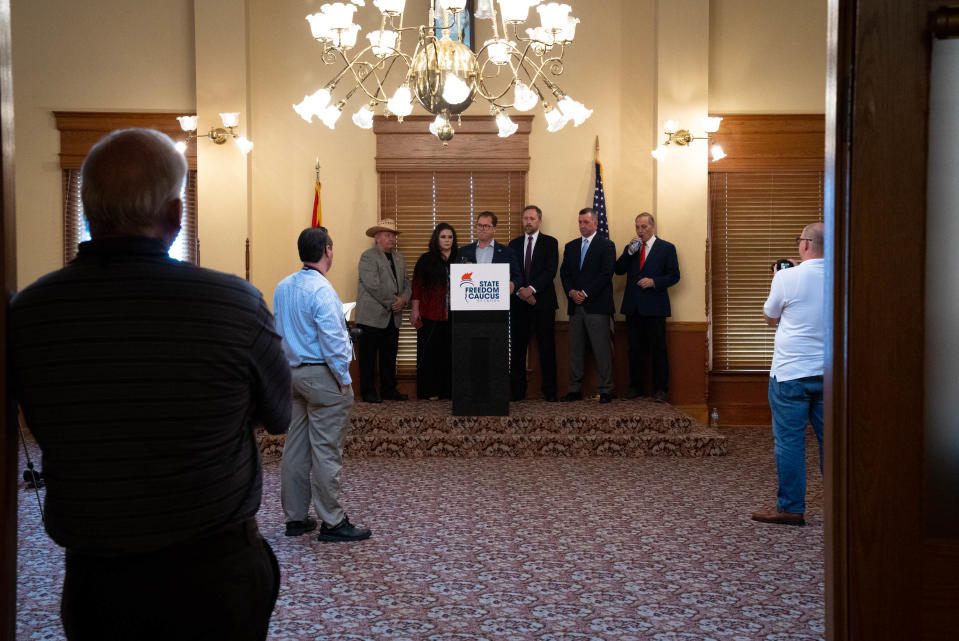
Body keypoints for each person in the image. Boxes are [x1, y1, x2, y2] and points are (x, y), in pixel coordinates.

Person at [7, 128, 290, 641]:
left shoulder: (29, 313)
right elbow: (280, 415)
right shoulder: (234, 304)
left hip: (96, 583)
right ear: (177, 215)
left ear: (87, 209)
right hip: (216, 576)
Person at [273, 226, 372, 543]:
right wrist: (344, 381)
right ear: (328, 250)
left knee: (296, 448)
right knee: (327, 451)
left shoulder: (282, 287)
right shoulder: (323, 291)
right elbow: (332, 343)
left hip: (292, 375)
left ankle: (296, 518)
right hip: (322, 376)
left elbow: (279, 332)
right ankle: (332, 521)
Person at [751, 223, 826, 526]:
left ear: (806, 244)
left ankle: (791, 508)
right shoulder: (844, 276)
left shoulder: (786, 276)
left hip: (791, 373)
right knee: (831, 442)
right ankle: (841, 506)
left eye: (799, 241)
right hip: (830, 373)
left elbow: (770, 317)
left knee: (789, 442)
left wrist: (779, 277)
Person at [614, 212, 681, 402]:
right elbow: (618, 270)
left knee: (658, 349)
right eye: (637, 227)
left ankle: (661, 389)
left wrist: (654, 281)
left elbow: (674, 276)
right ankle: (636, 387)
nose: (640, 230)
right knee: (634, 350)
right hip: (633, 307)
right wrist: (628, 252)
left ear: (652, 227)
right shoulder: (632, 248)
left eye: (644, 227)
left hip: (655, 307)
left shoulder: (666, 248)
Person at [559, 207, 617, 403]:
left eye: (586, 222)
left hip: (597, 306)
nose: (582, 226)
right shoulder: (571, 246)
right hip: (575, 306)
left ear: (595, 223)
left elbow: (606, 273)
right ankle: (574, 389)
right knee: (575, 350)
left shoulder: (606, 245)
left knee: (601, 349)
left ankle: (606, 389)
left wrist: (585, 292)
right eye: (580, 222)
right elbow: (564, 273)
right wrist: (571, 292)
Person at [355, 218, 411, 403]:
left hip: (393, 317)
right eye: (387, 235)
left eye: (393, 235)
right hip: (371, 317)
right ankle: (368, 392)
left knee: (389, 356)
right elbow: (373, 285)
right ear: (377, 237)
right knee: (368, 358)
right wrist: (393, 301)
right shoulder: (368, 257)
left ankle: (389, 390)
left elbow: (407, 283)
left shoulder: (399, 257)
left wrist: (403, 300)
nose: (392, 238)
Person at [508, 205, 559, 402]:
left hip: (543, 303)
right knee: (518, 349)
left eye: (532, 218)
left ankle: (550, 392)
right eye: (525, 218)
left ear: (539, 220)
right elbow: (512, 271)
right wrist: (522, 290)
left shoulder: (550, 243)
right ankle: (517, 392)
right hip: (519, 303)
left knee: (547, 348)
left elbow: (550, 270)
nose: (528, 222)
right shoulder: (513, 244)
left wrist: (532, 290)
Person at [410, 223, 458, 400]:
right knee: (430, 354)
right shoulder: (426, 259)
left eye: (450, 237)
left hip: (454, 315)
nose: (447, 240)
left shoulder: (459, 259)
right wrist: (415, 310)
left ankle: (448, 391)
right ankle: (430, 391)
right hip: (430, 314)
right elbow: (416, 287)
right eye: (443, 237)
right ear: (436, 239)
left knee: (450, 353)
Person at [457, 210, 521, 291]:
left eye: (486, 226)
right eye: (479, 225)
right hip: (471, 298)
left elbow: (518, 277)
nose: (482, 229)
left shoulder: (507, 252)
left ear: (494, 229)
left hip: (497, 299)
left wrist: (512, 284)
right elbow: (456, 276)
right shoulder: (463, 251)